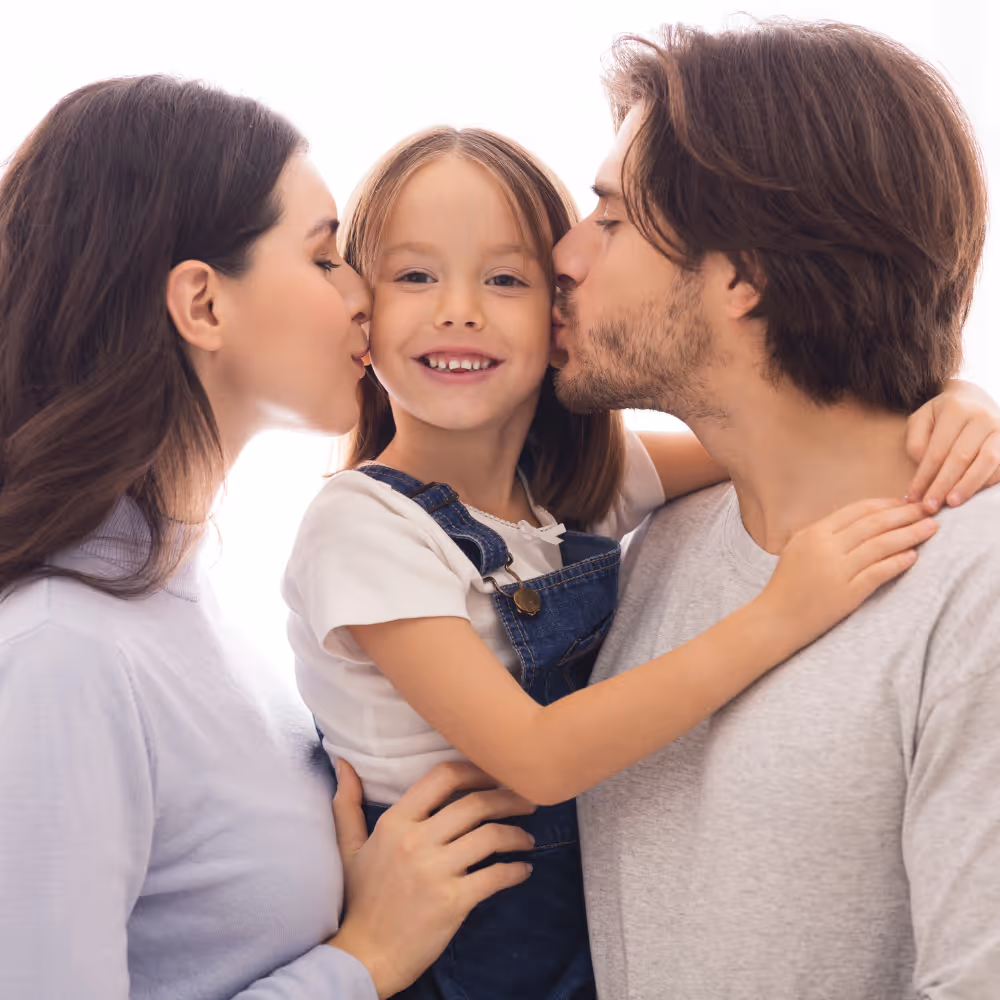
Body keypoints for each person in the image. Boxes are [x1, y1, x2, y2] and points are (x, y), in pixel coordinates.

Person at [281, 126, 999, 1000]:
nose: (458, 309)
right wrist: (781, 611)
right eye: (414, 276)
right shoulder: (362, 525)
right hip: (461, 944)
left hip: (565, 934)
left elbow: (781, 446)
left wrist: (951, 399)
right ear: (363, 315)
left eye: (505, 278)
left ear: (556, 318)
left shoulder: (575, 489)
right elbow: (537, 759)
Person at [0, 76, 544, 1000]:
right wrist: (361, 958)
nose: (365, 303)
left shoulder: (192, 587)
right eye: (327, 259)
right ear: (204, 306)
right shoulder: (62, 655)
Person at [549, 20, 1000, 999]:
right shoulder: (654, 547)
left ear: (743, 275)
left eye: (612, 220)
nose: (562, 257)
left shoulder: (979, 587)